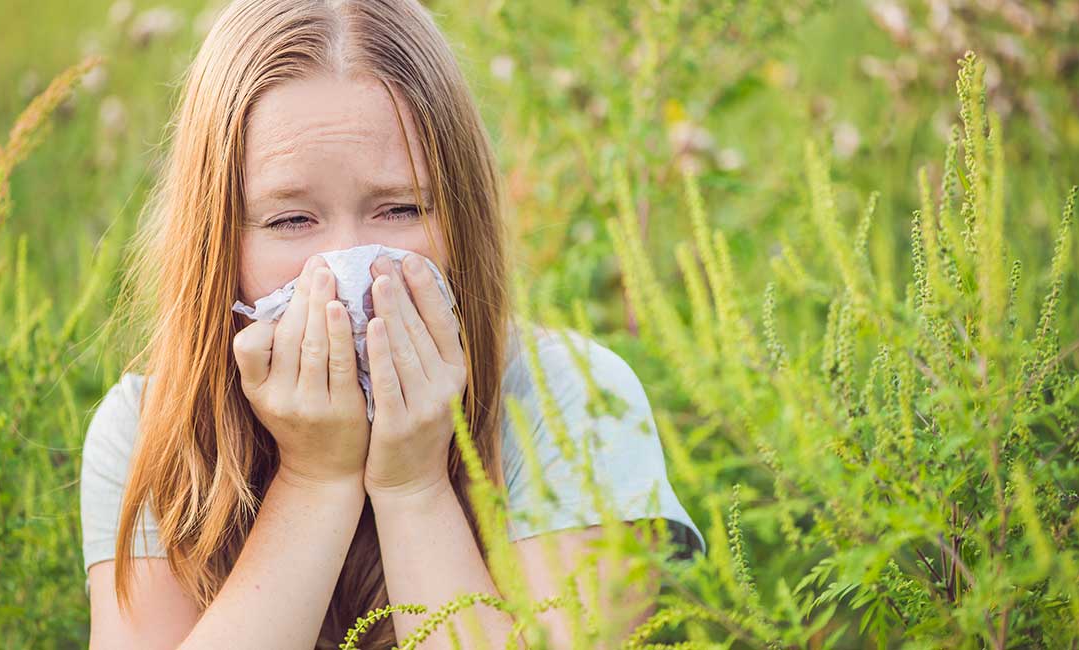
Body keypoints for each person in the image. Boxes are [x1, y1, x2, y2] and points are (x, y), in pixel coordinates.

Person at [79, 0, 704, 647]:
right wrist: (314, 481)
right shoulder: (148, 434)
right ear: (218, 241)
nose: (350, 271)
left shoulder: (570, 400)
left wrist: (415, 487)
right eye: (292, 220)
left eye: (399, 209)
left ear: (459, 219)